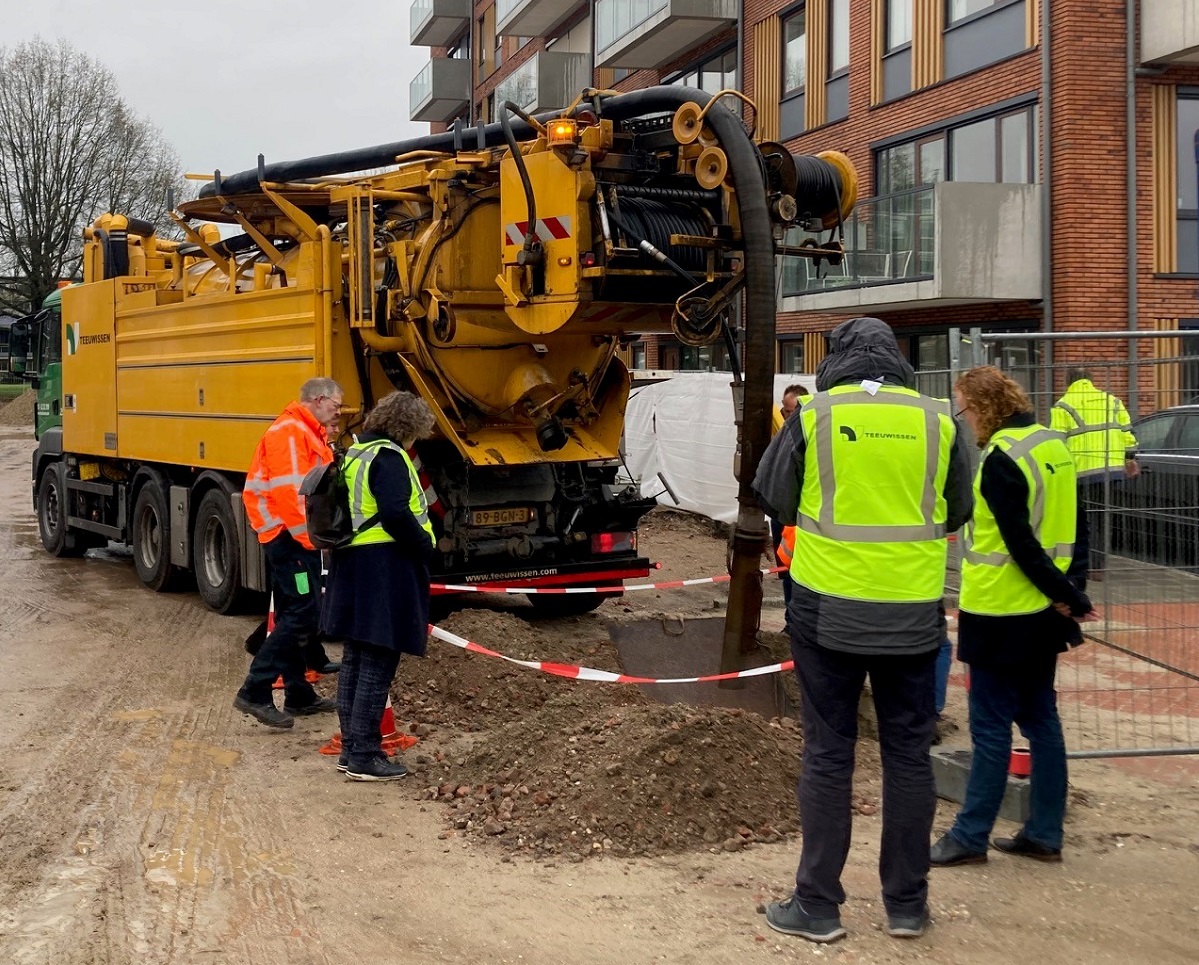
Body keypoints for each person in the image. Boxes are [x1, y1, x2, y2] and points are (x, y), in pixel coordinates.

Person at [753, 317, 973, 943]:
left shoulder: (815, 416)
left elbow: (775, 496)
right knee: (908, 755)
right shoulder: (939, 420)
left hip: (828, 613)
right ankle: (907, 906)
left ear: (837, 361)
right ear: (898, 362)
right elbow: (959, 506)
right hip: (911, 613)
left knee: (828, 755)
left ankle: (817, 906)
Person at [930, 366, 1094, 868]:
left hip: (1001, 611)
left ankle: (971, 834)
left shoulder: (1001, 458)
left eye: (963, 409)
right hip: (1044, 614)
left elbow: (1018, 541)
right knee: (1042, 718)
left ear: (981, 407)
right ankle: (1044, 832)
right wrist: (1070, 592)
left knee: (991, 725)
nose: (965, 421)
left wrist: (1064, 593)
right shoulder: (1052, 444)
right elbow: (1078, 524)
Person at [321, 390, 437, 782]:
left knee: (355, 659)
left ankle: (352, 749)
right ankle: (366, 755)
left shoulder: (358, 451)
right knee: (377, 661)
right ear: (408, 427)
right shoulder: (388, 457)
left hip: (353, 564)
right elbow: (395, 513)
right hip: (383, 567)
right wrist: (424, 545)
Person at [233, 378, 344, 728]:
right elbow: (292, 495)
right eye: (336, 405)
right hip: (289, 537)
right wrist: (310, 541)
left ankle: (298, 694)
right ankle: (254, 690)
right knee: (302, 613)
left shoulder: (307, 431)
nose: (339, 412)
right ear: (318, 399)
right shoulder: (290, 433)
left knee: (292, 612)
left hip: (293, 537)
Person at [1051, 368, 1138, 575]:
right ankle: (1098, 566)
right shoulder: (1113, 401)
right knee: (1101, 517)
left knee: (1081, 518)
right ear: (1091, 381)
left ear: (1068, 382)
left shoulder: (1063, 405)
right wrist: (1130, 459)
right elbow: (1128, 433)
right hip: (1112, 469)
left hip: (1081, 471)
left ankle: (1080, 564)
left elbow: (1056, 442)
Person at [769, 384, 809, 613]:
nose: (787, 415)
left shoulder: (813, 435)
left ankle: (799, 617)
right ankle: (789, 617)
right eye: (785, 410)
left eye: (791, 410)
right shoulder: (782, 433)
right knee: (785, 569)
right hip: (783, 514)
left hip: (803, 517)